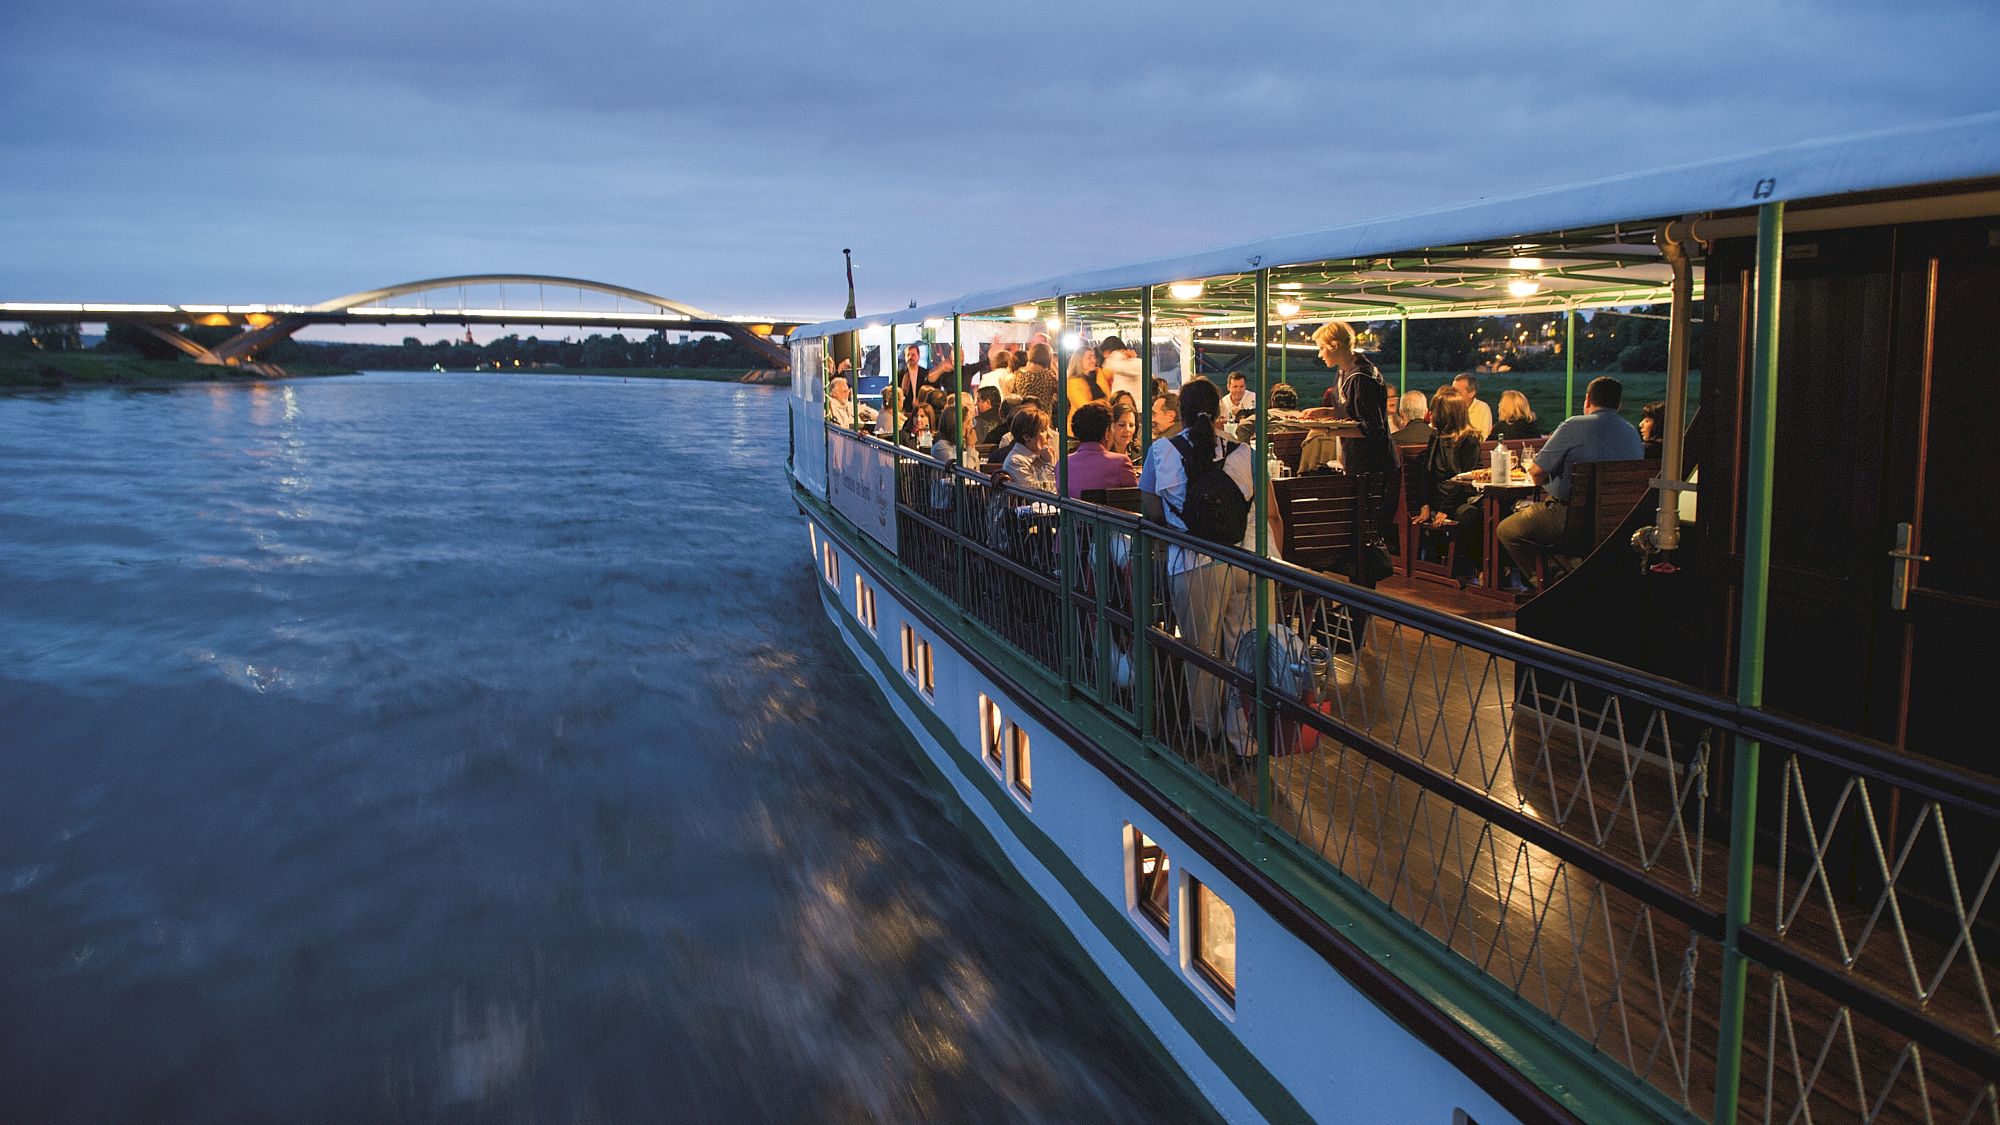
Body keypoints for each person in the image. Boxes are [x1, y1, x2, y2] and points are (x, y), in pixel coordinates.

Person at [1138, 377, 1280, 757]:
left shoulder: (1161, 451)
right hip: (1248, 562)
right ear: (1220, 413)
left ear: (1180, 413)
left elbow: (1151, 510)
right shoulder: (1245, 453)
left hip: (1193, 563)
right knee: (1246, 652)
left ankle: (1206, 731)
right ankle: (1244, 736)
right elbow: (1270, 512)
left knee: (1202, 654)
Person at [1496, 376, 1645, 585]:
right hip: (1619, 520)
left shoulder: (1573, 425)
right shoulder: (1631, 431)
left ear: (1587, 400)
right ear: (1618, 404)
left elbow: (1537, 473)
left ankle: (1556, 579)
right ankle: (1574, 570)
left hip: (1571, 519)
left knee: (1508, 529)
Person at [1412, 391, 1484, 528]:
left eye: (1434, 411)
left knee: (1470, 516)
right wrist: (1425, 504)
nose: (1430, 415)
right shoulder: (1436, 437)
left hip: (1461, 499)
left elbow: (1465, 480)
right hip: (1438, 500)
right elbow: (1427, 474)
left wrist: (1445, 509)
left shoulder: (1469, 440)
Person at [1063, 402, 1139, 496]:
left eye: (1131, 425)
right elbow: (1136, 499)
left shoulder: (1062, 464)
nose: (1127, 429)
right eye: (1121, 425)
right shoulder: (1120, 462)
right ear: (1107, 431)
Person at [998, 405, 1057, 492]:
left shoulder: (1042, 456)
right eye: (1043, 430)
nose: (1049, 436)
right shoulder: (1015, 461)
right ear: (1026, 436)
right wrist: (1049, 465)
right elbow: (1036, 495)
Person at [1065, 347, 1110, 434]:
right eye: (1089, 357)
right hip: (1080, 428)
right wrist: (1104, 402)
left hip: (1100, 427)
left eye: (1093, 357)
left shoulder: (1099, 374)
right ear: (1079, 360)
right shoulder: (1072, 382)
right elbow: (1083, 406)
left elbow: (1115, 370)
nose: (1093, 360)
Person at [1453, 373, 1495, 438]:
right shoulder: (1448, 408)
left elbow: (1484, 437)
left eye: (1458, 392)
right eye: (1452, 391)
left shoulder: (1482, 409)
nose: (1453, 394)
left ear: (1472, 393)